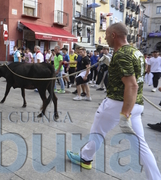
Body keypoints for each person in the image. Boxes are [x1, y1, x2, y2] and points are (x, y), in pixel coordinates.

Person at [67, 22, 161, 180]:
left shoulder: (121, 54)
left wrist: (124, 115)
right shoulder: (136, 52)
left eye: (106, 35)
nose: (105, 38)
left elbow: (131, 85)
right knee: (141, 145)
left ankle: (85, 158)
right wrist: (112, 64)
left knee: (97, 131)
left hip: (118, 104)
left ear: (113, 35)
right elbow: (136, 72)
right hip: (137, 105)